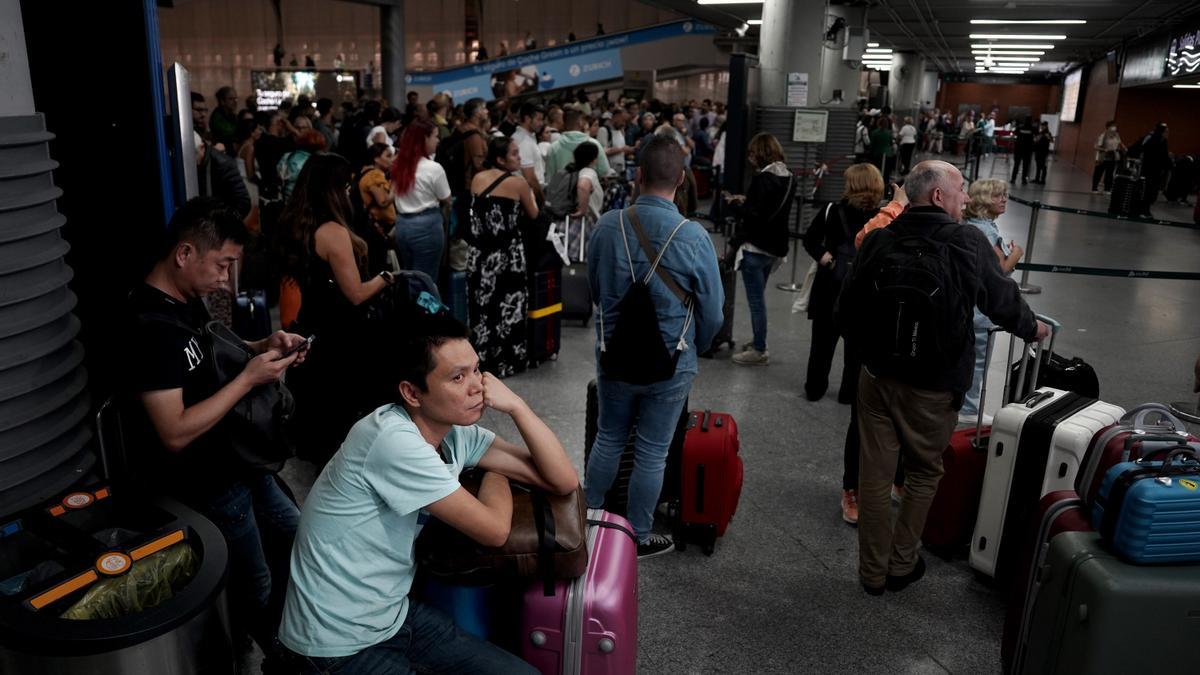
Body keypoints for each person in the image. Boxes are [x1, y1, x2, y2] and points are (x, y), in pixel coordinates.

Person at [279, 314, 576, 673]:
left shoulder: (453, 433)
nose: (477, 387)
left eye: (476, 370)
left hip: (393, 617)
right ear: (412, 393)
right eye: (457, 377)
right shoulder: (392, 440)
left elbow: (562, 481)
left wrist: (517, 405)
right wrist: (494, 468)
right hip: (333, 644)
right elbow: (494, 529)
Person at [838, 160, 1049, 595]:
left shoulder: (878, 239)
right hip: (934, 383)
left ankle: (871, 572)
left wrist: (869, 357)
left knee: (874, 477)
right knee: (923, 472)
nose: (966, 198)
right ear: (938, 195)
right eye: (960, 190)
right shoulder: (967, 242)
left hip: (877, 376)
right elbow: (1001, 298)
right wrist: (1034, 328)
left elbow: (847, 308)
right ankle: (901, 564)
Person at [126, 197, 308, 670]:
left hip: (239, 459)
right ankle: (282, 659)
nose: (225, 279)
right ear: (184, 254)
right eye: (223, 265)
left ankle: (307, 632)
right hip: (207, 480)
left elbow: (213, 356)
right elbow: (174, 431)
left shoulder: (186, 300)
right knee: (257, 582)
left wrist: (262, 347)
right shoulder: (151, 328)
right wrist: (250, 379)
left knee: (298, 536)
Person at [585, 136, 725, 558]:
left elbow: (595, 288)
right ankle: (639, 536)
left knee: (608, 437)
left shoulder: (609, 226)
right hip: (671, 360)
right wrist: (693, 349)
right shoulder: (693, 236)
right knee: (652, 450)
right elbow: (714, 312)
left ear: (638, 174)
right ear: (681, 179)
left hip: (615, 356)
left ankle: (587, 520)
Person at [283, 153, 399, 465]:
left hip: (313, 324)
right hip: (341, 332)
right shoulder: (333, 232)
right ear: (333, 190)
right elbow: (356, 294)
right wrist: (386, 278)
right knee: (344, 410)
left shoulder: (298, 223)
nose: (349, 193)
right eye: (345, 187)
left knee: (322, 410)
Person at [465, 136, 539, 377]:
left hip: (479, 255)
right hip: (508, 256)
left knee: (481, 307)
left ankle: (482, 357)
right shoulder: (517, 183)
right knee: (510, 306)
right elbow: (534, 213)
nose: (519, 157)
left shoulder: (477, 178)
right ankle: (509, 359)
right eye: (514, 154)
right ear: (500, 158)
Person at [722, 133, 794, 366]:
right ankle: (757, 340)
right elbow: (769, 210)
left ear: (761, 153)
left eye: (753, 153)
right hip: (775, 247)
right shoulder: (787, 177)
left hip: (756, 246)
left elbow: (753, 218)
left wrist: (737, 205)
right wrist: (748, 202)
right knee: (759, 298)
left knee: (756, 302)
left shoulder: (762, 179)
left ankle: (760, 349)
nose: (750, 158)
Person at [960, 178, 1023, 427]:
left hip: (969, 306)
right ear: (986, 200)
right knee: (978, 361)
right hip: (980, 310)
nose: (1004, 200)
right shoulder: (986, 231)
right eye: (999, 196)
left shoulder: (971, 225)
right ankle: (970, 407)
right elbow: (999, 271)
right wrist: (1016, 255)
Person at [393, 118, 453, 283]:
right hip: (427, 227)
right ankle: (423, 309)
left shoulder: (398, 164)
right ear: (424, 139)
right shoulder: (434, 168)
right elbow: (447, 199)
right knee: (425, 280)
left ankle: (409, 308)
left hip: (402, 225)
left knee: (409, 275)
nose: (438, 140)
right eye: (435, 136)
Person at [357, 142, 397, 274]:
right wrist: (396, 186)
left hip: (371, 228)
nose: (392, 159)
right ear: (376, 158)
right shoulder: (374, 175)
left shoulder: (363, 172)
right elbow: (383, 201)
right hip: (377, 230)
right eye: (388, 156)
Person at [194, 132, 251, 219]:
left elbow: (243, 203)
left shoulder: (223, 163)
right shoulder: (198, 165)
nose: (192, 160)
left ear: (202, 147)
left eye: (194, 154)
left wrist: (221, 225)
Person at [545, 109, 610, 179]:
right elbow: (604, 170)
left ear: (564, 124)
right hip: (588, 187)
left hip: (561, 189)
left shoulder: (553, 147)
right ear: (580, 123)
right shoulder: (594, 144)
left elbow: (550, 176)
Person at [277, 130, 328, 202]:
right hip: (305, 203)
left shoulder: (287, 156)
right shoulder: (316, 162)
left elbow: (279, 175)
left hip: (285, 199)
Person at [511, 101, 547, 200]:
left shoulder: (527, 137)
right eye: (539, 119)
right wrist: (542, 201)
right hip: (531, 196)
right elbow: (530, 178)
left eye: (542, 120)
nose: (541, 123)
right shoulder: (523, 141)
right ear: (527, 119)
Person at [1133, 123, 1170, 217]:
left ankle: (1146, 210)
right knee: (1145, 190)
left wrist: (1167, 166)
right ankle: (1140, 210)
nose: (1167, 133)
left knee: (1152, 192)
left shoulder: (1163, 141)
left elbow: (1164, 156)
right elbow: (1140, 149)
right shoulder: (1150, 139)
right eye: (1166, 131)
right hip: (1147, 169)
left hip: (1156, 171)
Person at [597, 108, 633, 179]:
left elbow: (621, 149)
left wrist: (630, 150)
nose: (623, 124)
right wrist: (621, 149)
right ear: (616, 117)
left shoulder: (621, 131)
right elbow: (602, 152)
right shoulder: (604, 130)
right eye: (622, 120)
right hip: (608, 173)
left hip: (621, 170)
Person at [1091, 121, 1125, 193]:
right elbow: (1095, 146)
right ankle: (1094, 188)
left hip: (1113, 157)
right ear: (1108, 127)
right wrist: (1104, 150)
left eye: (1115, 126)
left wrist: (1123, 148)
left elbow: (1119, 143)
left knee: (1109, 174)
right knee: (1098, 173)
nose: (1114, 128)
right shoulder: (1103, 135)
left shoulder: (1117, 135)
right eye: (1112, 126)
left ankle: (1107, 189)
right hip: (1102, 157)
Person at [869, 116, 896, 182]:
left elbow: (872, 145)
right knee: (886, 172)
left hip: (878, 154)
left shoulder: (874, 133)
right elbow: (891, 143)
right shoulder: (889, 133)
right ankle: (885, 186)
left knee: (877, 171)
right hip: (888, 154)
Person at [1011, 118, 1035, 185]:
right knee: (1025, 166)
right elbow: (1036, 137)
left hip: (1019, 149)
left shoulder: (1020, 127)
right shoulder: (1032, 129)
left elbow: (1013, 135)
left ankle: (1013, 179)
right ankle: (1024, 180)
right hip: (1027, 150)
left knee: (1016, 164)